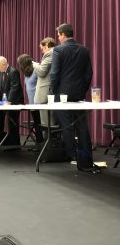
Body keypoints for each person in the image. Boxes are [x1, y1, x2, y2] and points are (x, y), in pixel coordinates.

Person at [50, 23, 100, 173]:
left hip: (62, 94)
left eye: (58, 35)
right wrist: (82, 89)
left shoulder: (58, 50)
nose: (58, 38)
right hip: (78, 94)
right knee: (82, 126)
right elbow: (88, 73)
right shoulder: (84, 49)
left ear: (63, 35)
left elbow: (54, 74)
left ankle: (71, 155)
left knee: (66, 125)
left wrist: (53, 91)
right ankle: (85, 158)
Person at [0, 56, 24, 145]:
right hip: (4, 102)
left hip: (14, 102)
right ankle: (2, 141)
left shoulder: (13, 71)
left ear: (4, 64)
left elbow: (15, 87)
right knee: (0, 120)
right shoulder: (1, 73)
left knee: (13, 122)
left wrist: (10, 101)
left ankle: (14, 144)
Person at [17, 54, 44, 145]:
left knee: (40, 124)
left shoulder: (36, 69)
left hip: (39, 103)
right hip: (32, 103)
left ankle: (42, 144)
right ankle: (39, 143)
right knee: (37, 124)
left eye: (20, 63)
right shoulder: (26, 72)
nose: (19, 66)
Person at [32, 37, 56, 126]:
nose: (41, 50)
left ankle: (48, 139)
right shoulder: (54, 53)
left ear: (46, 45)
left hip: (45, 90)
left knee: (46, 122)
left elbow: (42, 72)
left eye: (41, 48)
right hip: (49, 90)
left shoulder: (49, 53)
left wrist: (34, 64)